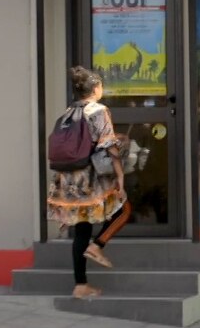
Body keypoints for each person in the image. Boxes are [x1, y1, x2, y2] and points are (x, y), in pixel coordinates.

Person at [47, 66, 132, 299]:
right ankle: (97, 247)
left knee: (82, 228)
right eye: (101, 85)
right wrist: (120, 177)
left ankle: (80, 285)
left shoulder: (68, 112)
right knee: (124, 209)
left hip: (67, 181)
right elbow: (108, 145)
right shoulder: (98, 110)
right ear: (95, 89)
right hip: (90, 179)